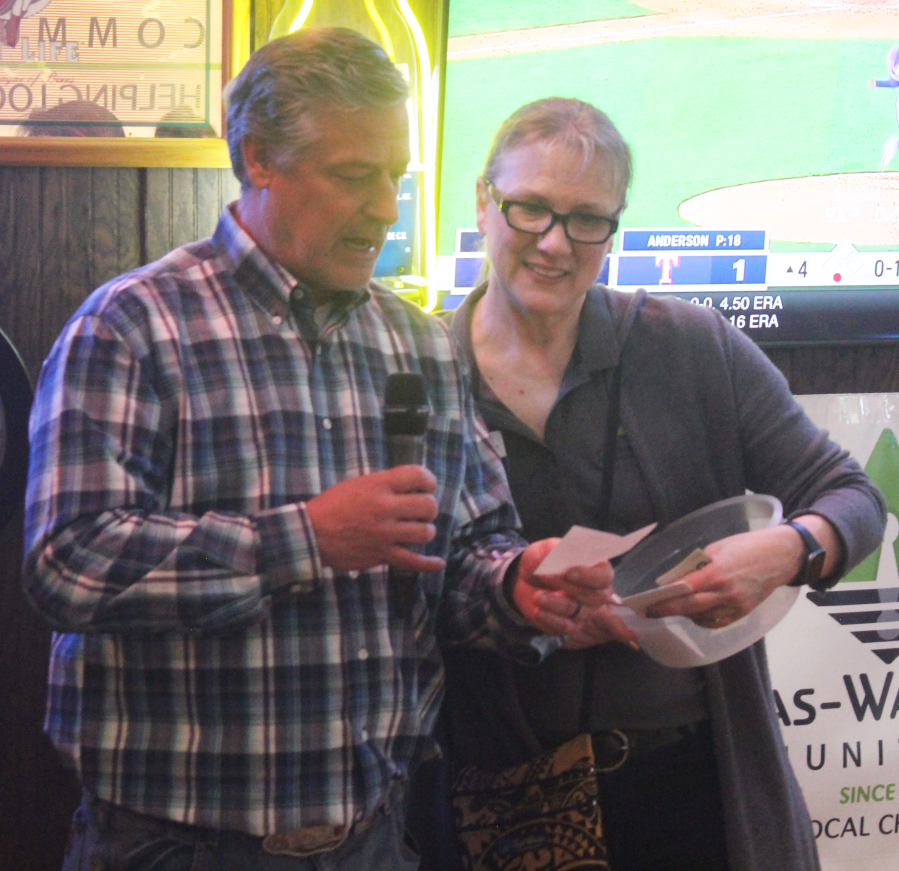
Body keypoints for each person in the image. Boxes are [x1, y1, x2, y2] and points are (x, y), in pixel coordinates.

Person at [21, 35, 611, 871]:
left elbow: (469, 553)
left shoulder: (417, 345)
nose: (385, 208)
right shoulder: (132, 326)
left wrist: (522, 583)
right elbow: (66, 566)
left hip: (374, 837)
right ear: (259, 159)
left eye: (394, 177)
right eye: (352, 175)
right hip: (172, 846)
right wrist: (303, 538)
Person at [422, 97, 886, 871]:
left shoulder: (690, 348)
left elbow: (852, 496)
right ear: (481, 200)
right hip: (496, 802)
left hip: (689, 789)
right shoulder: (417, 370)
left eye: (585, 219)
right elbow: (383, 587)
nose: (553, 242)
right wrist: (513, 595)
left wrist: (788, 549)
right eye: (529, 209)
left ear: (615, 225)